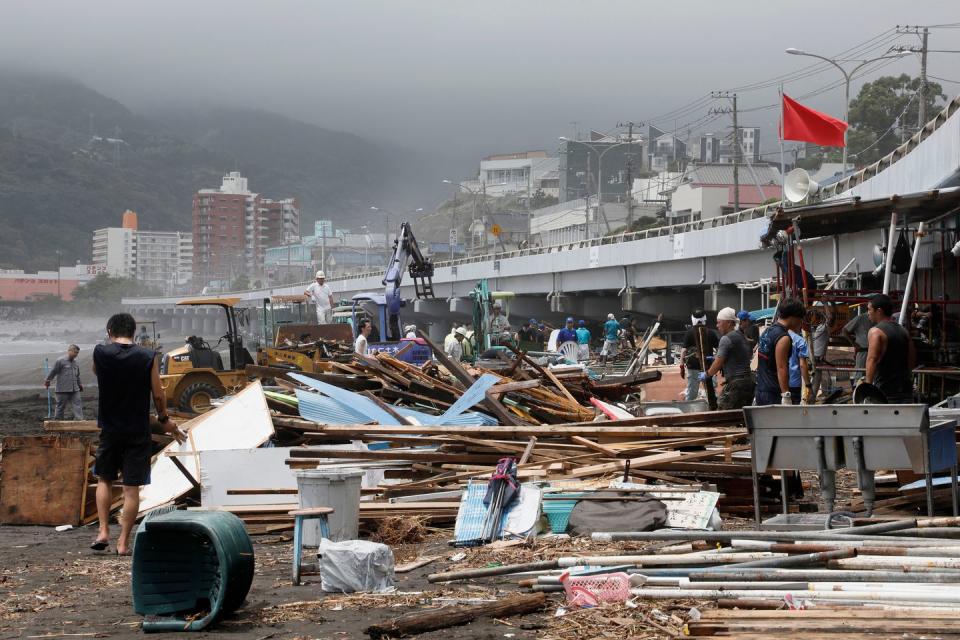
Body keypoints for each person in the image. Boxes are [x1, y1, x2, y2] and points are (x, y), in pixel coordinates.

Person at [92, 313, 182, 555]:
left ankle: (102, 531)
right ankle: (122, 543)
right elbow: (158, 394)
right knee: (131, 489)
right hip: (137, 429)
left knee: (104, 479)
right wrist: (164, 420)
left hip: (110, 429)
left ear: (110, 330)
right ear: (133, 332)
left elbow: (97, 372)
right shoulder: (147, 356)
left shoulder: (100, 352)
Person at [864, 293, 915, 403]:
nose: (867, 313)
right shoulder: (904, 331)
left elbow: (872, 359)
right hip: (905, 391)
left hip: (885, 393)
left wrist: (867, 387)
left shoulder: (876, 332)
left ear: (879, 311)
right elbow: (911, 361)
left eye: (869, 309)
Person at [701, 307, 755, 410]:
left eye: (719, 322)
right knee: (741, 416)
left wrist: (707, 374)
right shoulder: (741, 335)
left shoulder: (726, 338)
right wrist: (716, 357)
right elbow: (738, 355)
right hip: (748, 382)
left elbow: (718, 363)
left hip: (737, 384)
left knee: (723, 413)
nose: (717, 326)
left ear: (729, 323)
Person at [755, 298, 805, 405]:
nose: (801, 323)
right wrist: (786, 395)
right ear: (793, 317)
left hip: (761, 389)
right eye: (800, 319)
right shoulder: (783, 338)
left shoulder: (767, 331)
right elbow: (781, 368)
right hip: (774, 393)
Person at [680, 309, 720, 402]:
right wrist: (716, 361)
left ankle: (689, 413)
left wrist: (681, 366)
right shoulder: (711, 332)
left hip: (693, 367)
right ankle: (713, 411)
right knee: (711, 393)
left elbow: (683, 351)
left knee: (691, 394)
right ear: (705, 319)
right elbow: (719, 350)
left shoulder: (689, 333)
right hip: (709, 367)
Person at [45, 344, 83, 420]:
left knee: (78, 404)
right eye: (74, 352)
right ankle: (58, 421)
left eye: (77, 353)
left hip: (74, 389)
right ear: (69, 351)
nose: (76, 354)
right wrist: (47, 380)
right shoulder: (60, 361)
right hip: (62, 389)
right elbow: (53, 371)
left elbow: (77, 375)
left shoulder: (76, 363)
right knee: (60, 406)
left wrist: (80, 384)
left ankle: (79, 420)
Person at [842, 308, 873, 381]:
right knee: (859, 377)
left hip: (875, 352)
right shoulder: (861, 318)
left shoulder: (879, 319)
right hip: (863, 351)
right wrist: (854, 344)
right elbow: (845, 330)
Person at [810, 307, 832, 400]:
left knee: (816, 379)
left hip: (817, 358)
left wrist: (825, 304)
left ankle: (812, 398)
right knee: (813, 379)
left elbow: (829, 318)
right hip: (809, 357)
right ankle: (810, 397)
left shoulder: (822, 327)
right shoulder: (810, 328)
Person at [787, 329, 812, 405]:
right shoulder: (799, 340)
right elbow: (802, 365)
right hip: (794, 383)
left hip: (779, 382)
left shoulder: (777, 336)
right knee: (794, 412)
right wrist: (808, 384)